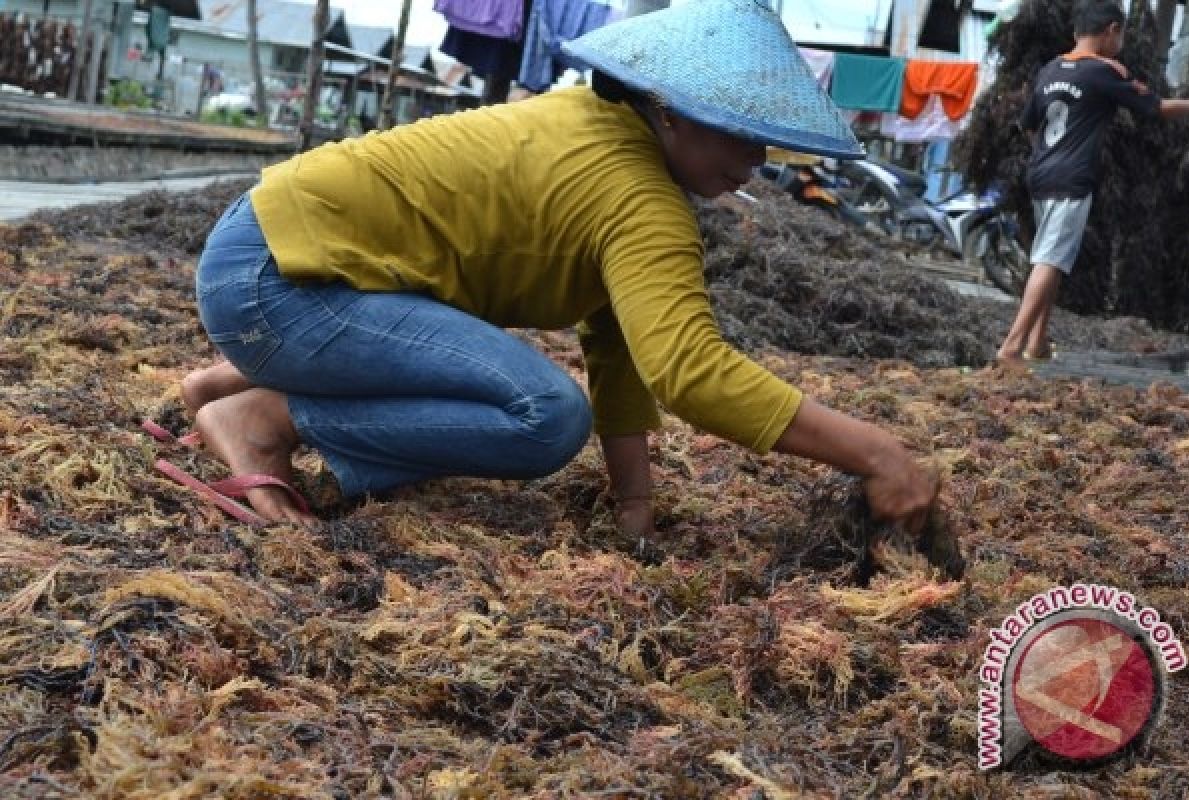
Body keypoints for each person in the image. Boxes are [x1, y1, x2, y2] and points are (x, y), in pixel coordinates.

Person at [176, 0, 939, 536]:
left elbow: (623, 349)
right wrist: (879, 453)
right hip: (278, 289)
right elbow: (690, 373)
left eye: (762, 139)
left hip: (269, 258)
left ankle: (233, 377)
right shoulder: (638, 196)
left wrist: (632, 504)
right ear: (670, 110)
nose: (756, 160)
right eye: (739, 134)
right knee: (546, 416)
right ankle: (265, 416)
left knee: (487, 354)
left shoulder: (591, 122)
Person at [996, 0, 1189, 366]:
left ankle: (1037, 341)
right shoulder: (1103, 73)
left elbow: (1028, 125)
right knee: (1050, 260)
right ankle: (1012, 346)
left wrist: (1050, 155)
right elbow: (1158, 109)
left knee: (1052, 255)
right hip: (1072, 178)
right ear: (1111, 31)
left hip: (1040, 174)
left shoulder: (1049, 70)